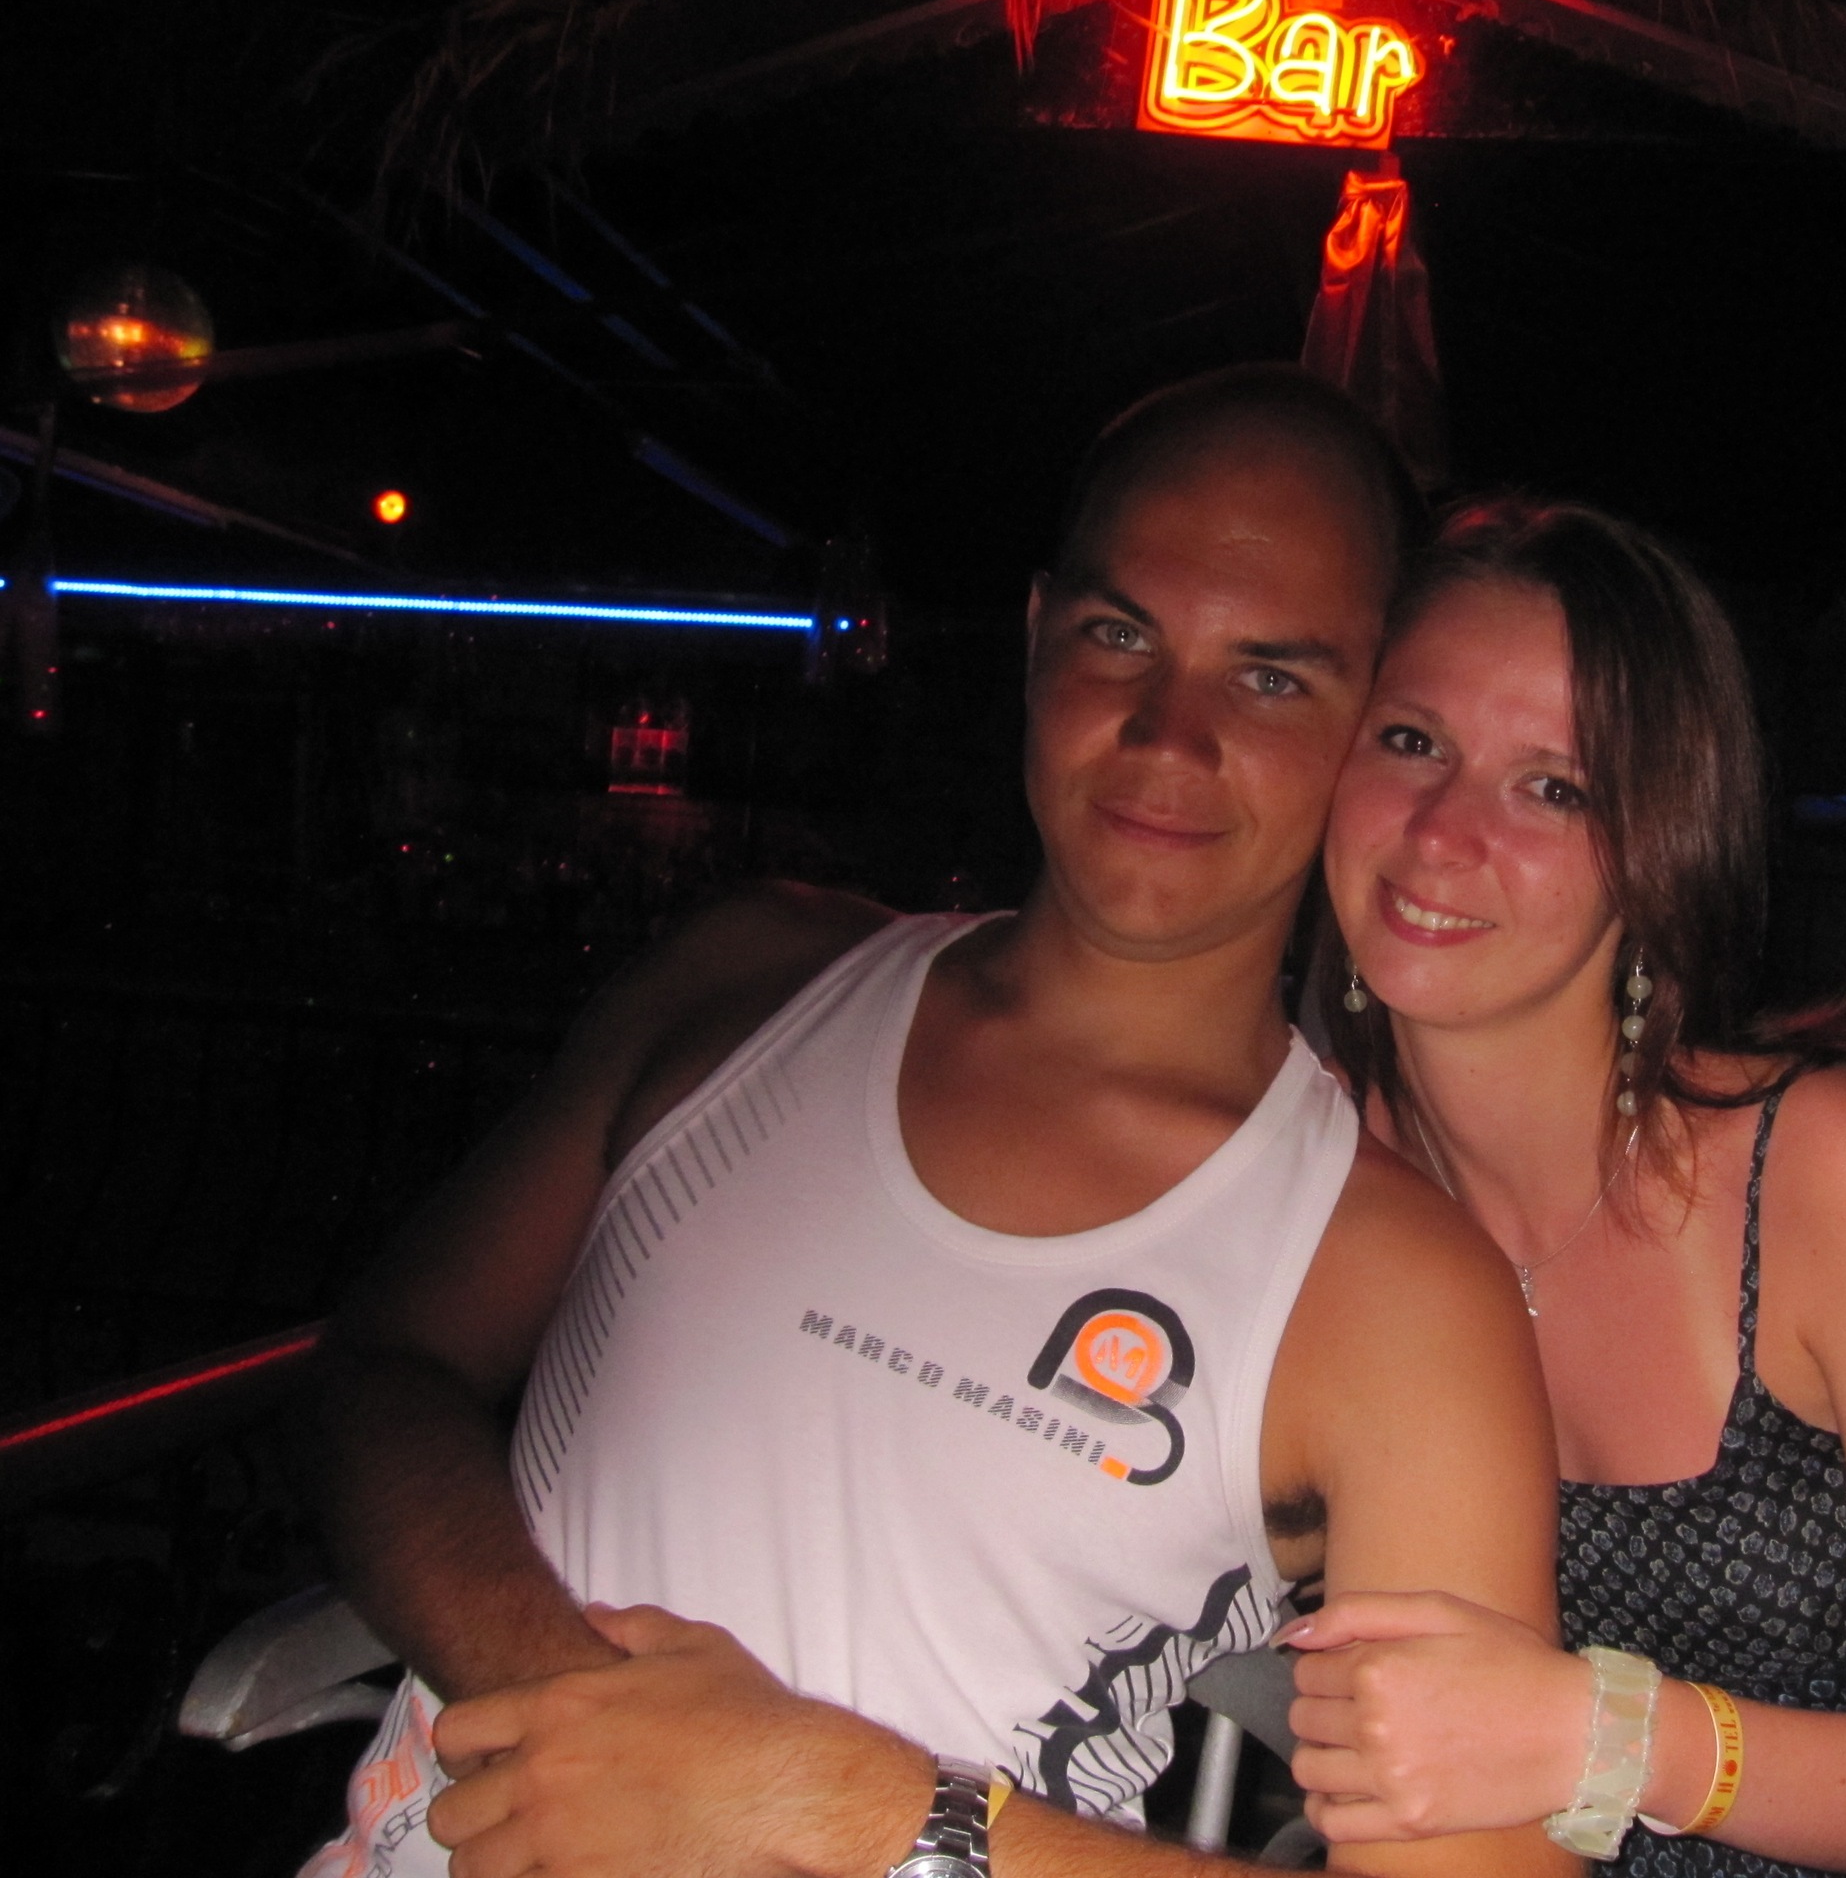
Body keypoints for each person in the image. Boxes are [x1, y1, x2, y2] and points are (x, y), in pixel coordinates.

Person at [302, 370, 1574, 1878]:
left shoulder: (1397, 1288)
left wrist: (838, 1808)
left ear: (1372, 729)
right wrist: (568, 1711)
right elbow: (390, 1363)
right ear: (1038, 637)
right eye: (1121, 637)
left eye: (1272, 679)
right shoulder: (752, 977)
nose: (1168, 736)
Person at [1282, 497, 1846, 1876]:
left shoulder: (1834, 1174)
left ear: (1663, 846)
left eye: (1555, 787)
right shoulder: (1309, 1179)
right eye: (1412, 742)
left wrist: (1596, 1738)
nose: (1444, 831)